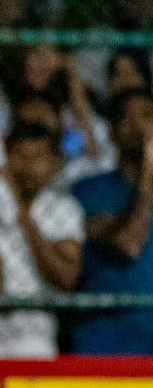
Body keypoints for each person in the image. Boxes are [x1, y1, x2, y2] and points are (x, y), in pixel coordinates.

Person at [0, 123, 83, 359]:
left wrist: (22, 214)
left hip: (35, 342)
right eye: (19, 155)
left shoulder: (63, 208)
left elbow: (64, 279)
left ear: (55, 164)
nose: (28, 165)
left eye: (38, 156)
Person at [70, 89, 153, 354]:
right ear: (114, 132)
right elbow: (128, 243)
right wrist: (148, 176)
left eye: (148, 117)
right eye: (129, 119)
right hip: (105, 343)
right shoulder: (88, 191)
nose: (142, 128)